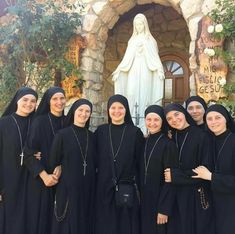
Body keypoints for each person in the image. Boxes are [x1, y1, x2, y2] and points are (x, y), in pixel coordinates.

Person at [95, 94, 144, 234]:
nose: (117, 111)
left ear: (126, 110)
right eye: (113, 108)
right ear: (108, 110)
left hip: (126, 189)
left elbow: (140, 161)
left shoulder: (135, 133)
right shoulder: (100, 131)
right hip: (103, 188)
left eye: (121, 108)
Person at [163, 103, 214, 234]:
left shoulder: (202, 136)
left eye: (176, 114)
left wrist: (176, 176)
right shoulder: (170, 137)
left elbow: (205, 170)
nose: (174, 119)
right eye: (169, 118)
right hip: (175, 198)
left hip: (195, 197)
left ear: (184, 114)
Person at [49, 98, 96, 234]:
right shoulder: (62, 135)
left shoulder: (92, 137)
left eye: (87, 111)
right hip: (68, 189)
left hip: (88, 188)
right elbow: (54, 162)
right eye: (80, 110)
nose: (84, 114)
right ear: (74, 112)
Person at [24, 86, 66, 234]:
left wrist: (61, 165)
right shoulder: (39, 122)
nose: (59, 102)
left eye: (62, 98)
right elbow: (28, 153)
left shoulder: (68, 122)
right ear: (48, 101)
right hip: (41, 182)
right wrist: (44, 176)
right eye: (55, 99)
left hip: (62, 182)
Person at [112, 13, 165, 132]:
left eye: (141, 24)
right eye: (137, 25)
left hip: (146, 70)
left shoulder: (150, 40)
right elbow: (127, 58)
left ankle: (145, 124)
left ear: (145, 25)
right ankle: (130, 123)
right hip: (133, 70)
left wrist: (159, 69)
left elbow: (154, 58)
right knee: (131, 93)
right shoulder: (132, 40)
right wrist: (119, 70)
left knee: (145, 93)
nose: (139, 27)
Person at [192, 104, 235, 234]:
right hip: (210, 204)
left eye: (218, 117)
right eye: (209, 118)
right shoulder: (207, 141)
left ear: (226, 119)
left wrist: (211, 177)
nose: (213, 122)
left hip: (230, 205)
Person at [0, 87, 38, 234]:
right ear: (17, 100)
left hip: (30, 181)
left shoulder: (36, 123)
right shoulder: (3, 123)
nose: (29, 104)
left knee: (29, 219)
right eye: (25, 100)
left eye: (33, 101)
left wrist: (39, 154)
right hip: (8, 181)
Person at [140, 105, 178, 234]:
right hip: (143, 201)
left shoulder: (169, 145)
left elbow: (171, 180)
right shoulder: (143, 142)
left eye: (156, 120)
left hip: (159, 203)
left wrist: (164, 209)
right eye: (148, 119)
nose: (152, 123)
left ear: (162, 121)